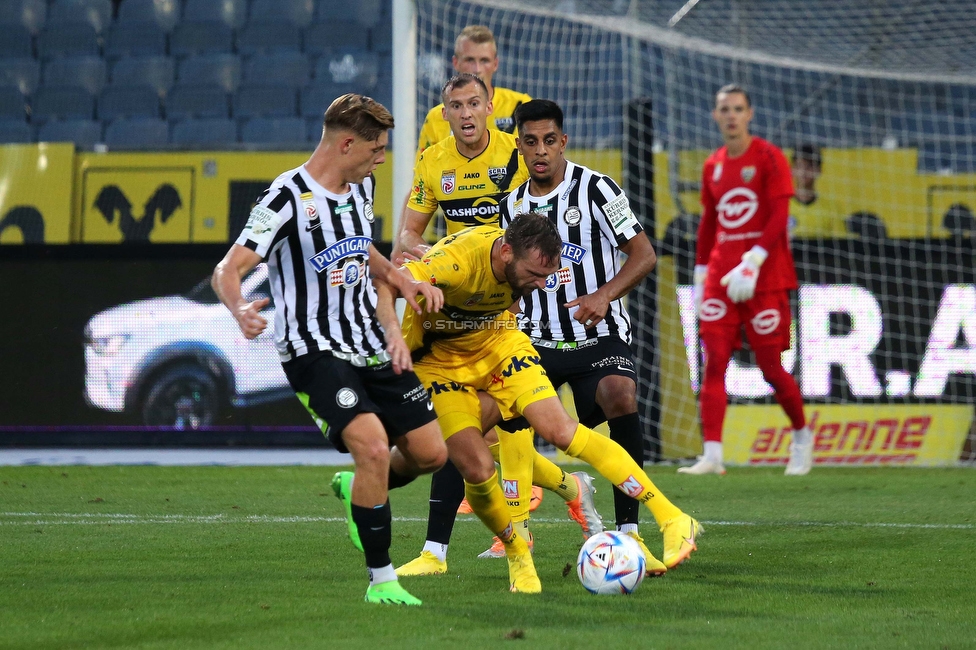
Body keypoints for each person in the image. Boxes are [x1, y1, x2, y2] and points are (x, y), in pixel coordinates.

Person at [211, 94, 448, 606]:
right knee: (371, 445)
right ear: (346, 143)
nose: (381, 158)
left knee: (430, 454)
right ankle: (382, 580)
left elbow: (364, 249)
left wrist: (402, 282)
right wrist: (240, 309)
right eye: (376, 148)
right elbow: (227, 270)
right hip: (313, 349)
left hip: (367, 341)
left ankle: (357, 484)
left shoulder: (360, 188)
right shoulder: (285, 197)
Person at [388, 214, 703, 593]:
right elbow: (392, 282)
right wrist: (406, 294)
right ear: (506, 252)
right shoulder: (455, 262)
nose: (541, 285)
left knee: (560, 430)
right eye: (534, 274)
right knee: (475, 467)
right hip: (438, 365)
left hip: (501, 345)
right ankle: (518, 553)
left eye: (547, 275)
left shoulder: (520, 263)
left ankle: (672, 518)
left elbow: (512, 296)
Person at [393, 74, 603, 577]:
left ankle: (479, 543)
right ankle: (568, 490)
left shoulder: (515, 155)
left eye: (474, 103)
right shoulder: (432, 160)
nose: (466, 114)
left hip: (508, 301)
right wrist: (416, 252)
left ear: (490, 106)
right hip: (456, 304)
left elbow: (536, 224)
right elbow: (407, 232)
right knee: (468, 438)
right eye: (456, 106)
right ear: (445, 113)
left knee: (497, 426)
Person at [492, 99, 668, 574]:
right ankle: (517, 530)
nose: (541, 150)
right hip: (536, 339)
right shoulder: (510, 205)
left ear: (563, 141)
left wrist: (605, 295)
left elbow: (644, 254)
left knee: (619, 393)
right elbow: (507, 282)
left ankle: (630, 535)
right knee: (499, 413)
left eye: (549, 140)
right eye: (530, 142)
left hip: (597, 336)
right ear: (520, 146)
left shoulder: (598, 190)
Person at [683, 84, 813, 476]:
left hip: (766, 279)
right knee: (714, 363)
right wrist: (702, 272)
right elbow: (710, 222)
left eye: (738, 109)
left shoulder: (770, 158)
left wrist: (754, 261)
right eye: (725, 109)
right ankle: (713, 454)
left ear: (750, 114)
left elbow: (778, 216)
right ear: (716, 115)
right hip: (722, 278)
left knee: (771, 368)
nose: (732, 115)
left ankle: (802, 435)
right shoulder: (713, 165)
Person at [415, 25, 532, 163]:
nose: (477, 69)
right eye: (470, 60)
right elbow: (422, 176)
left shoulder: (520, 105)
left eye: (484, 60)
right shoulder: (436, 118)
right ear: (455, 63)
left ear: (495, 64)